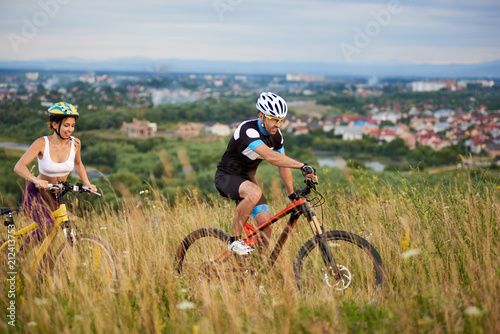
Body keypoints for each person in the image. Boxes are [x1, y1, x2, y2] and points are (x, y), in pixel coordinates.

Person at [215, 92, 318, 256]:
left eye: (280, 120)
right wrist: (302, 166)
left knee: (266, 226)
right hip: (226, 177)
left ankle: (258, 269)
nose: (277, 124)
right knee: (255, 192)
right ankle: (234, 240)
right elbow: (271, 157)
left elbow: (282, 163)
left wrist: (291, 193)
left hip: (247, 180)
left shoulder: (276, 136)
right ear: (261, 116)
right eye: (273, 119)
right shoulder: (248, 130)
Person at [13, 102, 97, 244]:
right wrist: (36, 180)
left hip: (56, 195)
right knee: (47, 225)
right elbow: (19, 166)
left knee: (51, 238)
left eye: (72, 125)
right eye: (66, 125)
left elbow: (78, 163)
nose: (70, 129)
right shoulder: (42, 143)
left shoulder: (75, 143)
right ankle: (21, 259)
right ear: (54, 124)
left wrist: (87, 183)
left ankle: (43, 264)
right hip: (36, 193)